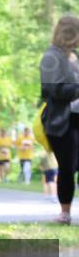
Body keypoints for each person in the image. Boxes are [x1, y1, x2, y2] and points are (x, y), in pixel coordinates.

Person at [39, 14, 79, 225]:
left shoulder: (75, 56)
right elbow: (51, 90)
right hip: (63, 122)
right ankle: (65, 213)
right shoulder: (51, 57)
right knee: (68, 166)